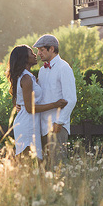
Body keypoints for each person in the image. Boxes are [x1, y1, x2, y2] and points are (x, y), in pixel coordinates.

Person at [8, 44, 67, 160]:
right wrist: (55, 105)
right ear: (24, 58)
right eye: (31, 53)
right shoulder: (26, 78)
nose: (35, 55)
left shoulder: (29, 77)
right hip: (27, 125)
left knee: (33, 162)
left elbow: (18, 99)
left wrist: (19, 105)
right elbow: (30, 108)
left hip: (31, 123)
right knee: (30, 162)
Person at [33, 34, 77, 166]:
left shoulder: (64, 68)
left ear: (52, 49)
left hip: (57, 127)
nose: (38, 53)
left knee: (58, 167)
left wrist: (59, 122)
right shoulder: (42, 70)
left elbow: (71, 99)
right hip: (42, 127)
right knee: (45, 168)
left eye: (41, 50)